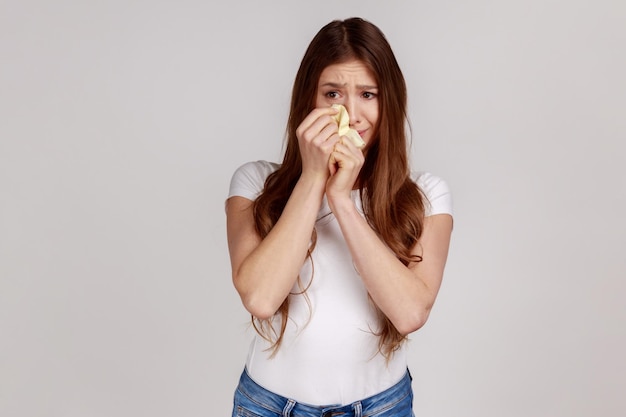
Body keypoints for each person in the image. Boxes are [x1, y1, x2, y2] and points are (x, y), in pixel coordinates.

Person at [225, 17, 453, 417]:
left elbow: (410, 313)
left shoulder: (425, 195)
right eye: (333, 93)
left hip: (382, 407)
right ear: (308, 101)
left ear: (389, 102)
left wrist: (342, 201)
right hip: (269, 406)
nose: (352, 113)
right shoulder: (254, 182)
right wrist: (314, 178)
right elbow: (260, 298)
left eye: (368, 94)